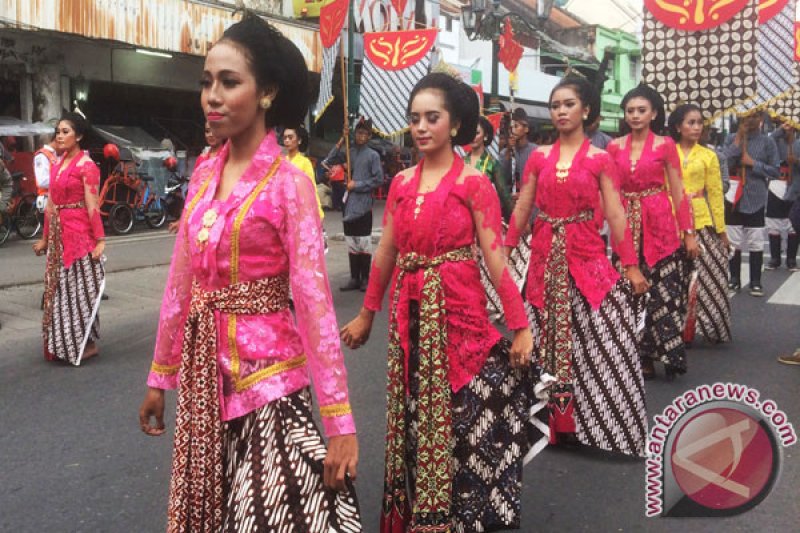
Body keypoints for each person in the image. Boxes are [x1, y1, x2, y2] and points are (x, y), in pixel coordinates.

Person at [137, 14, 360, 532]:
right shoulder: (202, 175)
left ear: (267, 93)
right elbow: (180, 283)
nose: (212, 96)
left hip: (270, 381)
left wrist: (339, 421)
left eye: (229, 82)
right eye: (206, 82)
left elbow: (315, 304)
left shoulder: (290, 185)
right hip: (202, 381)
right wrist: (159, 376)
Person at [341, 72, 541, 532]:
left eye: (433, 118)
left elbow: (495, 260)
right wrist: (367, 315)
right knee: (417, 420)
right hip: (410, 318)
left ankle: (468, 515)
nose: (421, 127)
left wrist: (521, 325)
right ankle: (427, 514)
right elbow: (386, 252)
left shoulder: (474, 184)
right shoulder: (401, 184)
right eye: (414, 119)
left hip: (462, 317)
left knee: (466, 420)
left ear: (454, 126)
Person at [506, 75, 650, 456]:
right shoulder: (538, 157)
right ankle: (547, 422)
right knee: (541, 338)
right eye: (555, 106)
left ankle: (593, 423)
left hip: (586, 259)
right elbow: (523, 206)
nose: (561, 111)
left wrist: (631, 266)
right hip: (542, 260)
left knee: (599, 340)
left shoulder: (601, 159)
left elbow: (616, 215)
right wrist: (505, 249)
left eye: (568, 104)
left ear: (586, 110)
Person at [606, 85, 697, 380]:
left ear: (654, 113)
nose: (634, 115)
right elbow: (606, 193)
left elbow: (679, 191)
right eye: (630, 110)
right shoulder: (614, 147)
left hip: (660, 225)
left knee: (664, 294)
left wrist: (689, 231)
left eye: (641, 110)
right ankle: (638, 357)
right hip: (625, 224)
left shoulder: (665, 145)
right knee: (628, 294)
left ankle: (670, 354)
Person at [31, 112, 105, 365]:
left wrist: (101, 240)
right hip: (58, 238)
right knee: (60, 292)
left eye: (65, 131)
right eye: (58, 131)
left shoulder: (87, 166)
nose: (59, 136)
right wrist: (44, 239)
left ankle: (87, 344)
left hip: (80, 236)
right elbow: (51, 205)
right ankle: (65, 343)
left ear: (79, 136)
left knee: (80, 293)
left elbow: (92, 204)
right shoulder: (56, 164)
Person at [668, 104, 732, 345]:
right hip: (671, 220)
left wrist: (722, 230)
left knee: (710, 275)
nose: (696, 127)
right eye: (690, 122)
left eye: (699, 123)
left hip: (702, 219)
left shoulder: (709, 156)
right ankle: (676, 327)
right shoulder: (667, 152)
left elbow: (715, 194)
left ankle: (712, 326)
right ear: (678, 126)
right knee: (676, 276)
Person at [722, 111, 780, 296]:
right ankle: (734, 279)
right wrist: (738, 141)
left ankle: (755, 281)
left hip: (756, 197)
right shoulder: (731, 138)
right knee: (733, 241)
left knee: (755, 240)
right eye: (747, 117)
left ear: (761, 119)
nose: (750, 120)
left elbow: (776, 171)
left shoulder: (768, 142)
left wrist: (753, 164)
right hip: (733, 196)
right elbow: (722, 161)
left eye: (754, 116)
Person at [326, 118, 383, 291]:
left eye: (365, 133)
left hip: (364, 205)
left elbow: (378, 179)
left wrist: (357, 185)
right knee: (351, 242)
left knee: (363, 243)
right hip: (348, 205)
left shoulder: (373, 155)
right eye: (359, 132)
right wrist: (343, 138)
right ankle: (354, 278)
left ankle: (365, 278)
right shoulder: (349, 153)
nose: (361, 136)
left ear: (369, 136)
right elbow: (330, 159)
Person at [464, 115, 512, 221]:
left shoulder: (492, 163)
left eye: (476, 133)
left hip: (484, 219)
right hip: (462, 218)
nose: (472, 136)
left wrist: (517, 221)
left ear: (485, 136)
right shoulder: (461, 162)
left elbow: (504, 196)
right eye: (470, 132)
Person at [767, 119, 800, 271]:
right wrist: (781, 130)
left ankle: (791, 259)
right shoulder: (776, 141)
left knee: (793, 224)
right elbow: (769, 140)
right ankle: (775, 258)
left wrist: (797, 161)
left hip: (794, 187)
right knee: (774, 224)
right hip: (776, 186)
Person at [284, 125, 324, 220]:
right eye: (285, 137)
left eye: (290, 137)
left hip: (299, 209)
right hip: (283, 209)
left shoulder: (305, 163)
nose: (287, 140)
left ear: (299, 140)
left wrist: (317, 210)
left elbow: (311, 188)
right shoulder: (281, 162)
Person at [500, 107, 536, 195]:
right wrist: (508, 151)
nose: (512, 130)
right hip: (511, 204)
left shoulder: (536, 151)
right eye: (510, 128)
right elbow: (501, 178)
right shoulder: (505, 152)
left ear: (526, 129)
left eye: (516, 126)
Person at [34, 133, 58, 206]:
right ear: (55, 139)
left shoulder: (56, 154)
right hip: (47, 199)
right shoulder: (41, 156)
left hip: (56, 198)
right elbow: (42, 181)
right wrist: (62, 179)